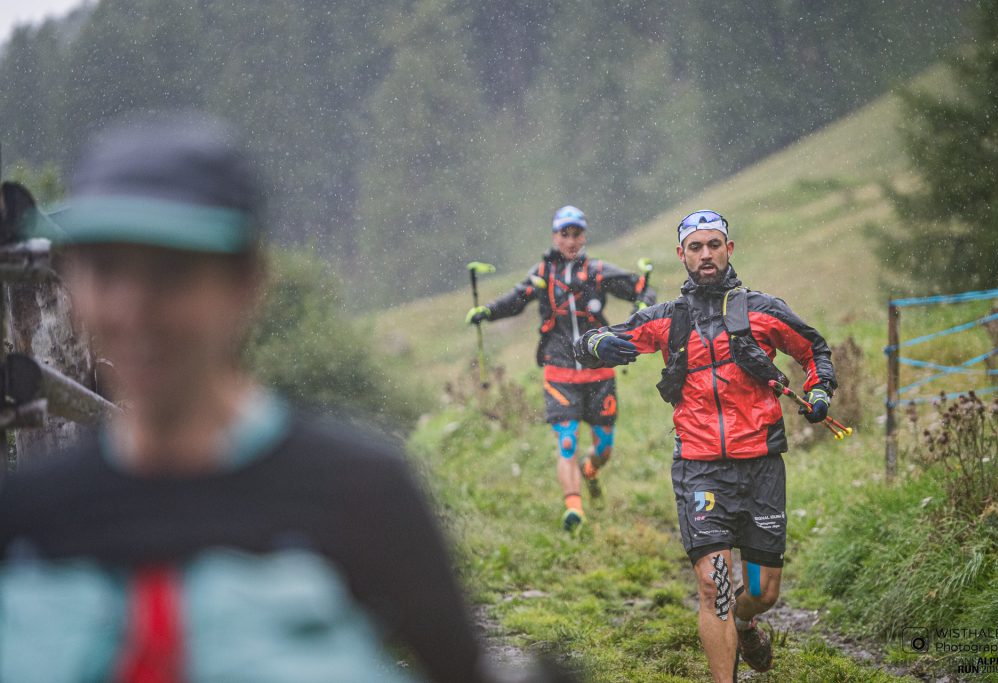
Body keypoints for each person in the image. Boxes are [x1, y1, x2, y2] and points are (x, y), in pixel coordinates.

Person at [0, 110, 563, 683]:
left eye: (171, 273)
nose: (131, 309)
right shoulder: (25, 515)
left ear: (248, 284)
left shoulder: (362, 494)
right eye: (106, 270)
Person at [573, 210, 836, 681]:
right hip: (700, 469)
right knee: (713, 586)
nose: (706, 254)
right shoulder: (667, 320)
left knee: (763, 590)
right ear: (682, 256)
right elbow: (594, 338)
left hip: (761, 464)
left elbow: (813, 350)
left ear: (729, 249)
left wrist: (818, 392)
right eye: (696, 247)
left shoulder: (761, 310)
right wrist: (596, 347)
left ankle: (745, 618)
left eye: (714, 244)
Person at [466, 206, 655, 531]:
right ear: (554, 236)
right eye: (564, 234)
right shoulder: (541, 273)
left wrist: (644, 304)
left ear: (583, 236)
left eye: (576, 234)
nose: (570, 240)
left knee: (604, 448)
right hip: (559, 371)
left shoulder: (597, 270)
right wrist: (487, 311)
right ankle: (574, 509)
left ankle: (591, 469)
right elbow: (515, 300)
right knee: (566, 442)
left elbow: (641, 289)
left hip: (599, 372)